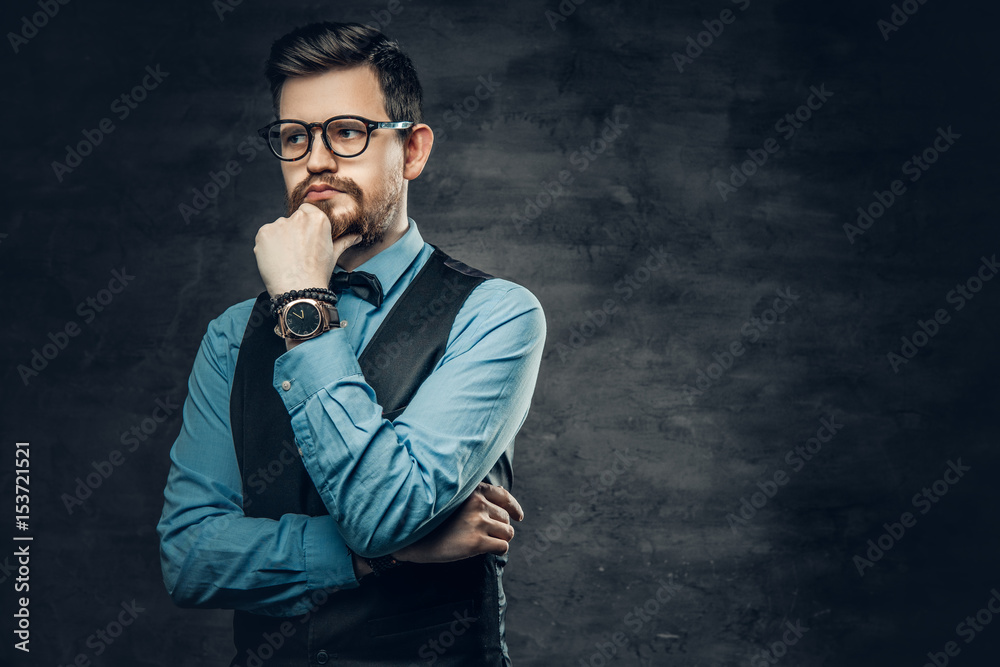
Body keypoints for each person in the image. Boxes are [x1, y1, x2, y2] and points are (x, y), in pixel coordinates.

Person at [155, 21, 546, 667]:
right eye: (294, 137)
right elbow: (189, 558)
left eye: (347, 132)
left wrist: (303, 302)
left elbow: (381, 512)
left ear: (413, 150)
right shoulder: (231, 335)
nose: (315, 160)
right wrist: (376, 556)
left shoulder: (496, 314)